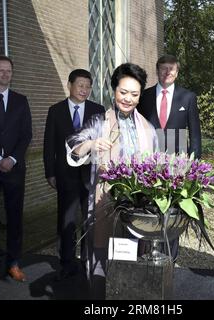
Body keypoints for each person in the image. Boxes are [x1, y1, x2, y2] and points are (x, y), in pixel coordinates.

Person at [66, 63, 158, 299]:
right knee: (103, 252)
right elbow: (73, 146)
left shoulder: (147, 128)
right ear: (114, 91)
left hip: (137, 203)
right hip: (104, 199)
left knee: (135, 253)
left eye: (134, 94)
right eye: (123, 92)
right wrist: (91, 144)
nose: (128, 99)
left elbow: (156, 165)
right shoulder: (99, 121)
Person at [137, 54, 202, 260]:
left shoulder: (188, 97)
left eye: (171, 69)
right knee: (148, 210)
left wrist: (194, 166)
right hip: (148, 164)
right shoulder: (144, 96)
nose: (167, 73)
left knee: (173, 211)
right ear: (157, 71)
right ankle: (148, 257)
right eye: (163, 69)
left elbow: (195, 133)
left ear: (177, 72)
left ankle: (170, 260)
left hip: (178, 165)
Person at [43, 69, 105, 280]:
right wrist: (49, 172)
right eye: (80, 85)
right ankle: (67, 261)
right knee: (67, 220)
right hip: (65, 175)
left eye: (88, 86)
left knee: (90, 220)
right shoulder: (56, 111)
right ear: (69, 85)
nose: (84, 90)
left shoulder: (98, 110)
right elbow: (49, 143)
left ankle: (88, 260)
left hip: (91, 175)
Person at [0, 56, 32, 283]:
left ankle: (13, 263)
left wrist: (11, 158)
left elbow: (26, 135)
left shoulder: (21, 101)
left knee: (14, 218)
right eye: (0, 70)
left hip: (14, 169)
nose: (5, 74)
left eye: (8, 70)